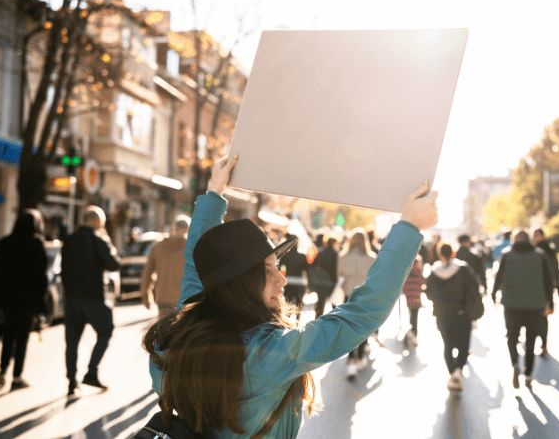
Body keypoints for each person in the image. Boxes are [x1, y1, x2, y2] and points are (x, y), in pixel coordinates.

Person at [140, 156, 438, 438]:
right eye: (269, 269)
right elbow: (361, 314)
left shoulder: (179, 337)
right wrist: (409, 228)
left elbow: (197, 268)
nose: (282, 277)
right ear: (241, 284)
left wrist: (213, 194)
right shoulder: (270, 353)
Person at [62, 205, 121, 395]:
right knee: (106, 332)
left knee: (72, 342)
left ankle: (72, 381)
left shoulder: (69, 240)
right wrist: (108, 242)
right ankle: (91, 372)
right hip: (94, 298)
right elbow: (113, 264)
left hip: (71, 298)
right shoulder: (98, 240)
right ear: (97, 222)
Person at [0, 210, 48, 390]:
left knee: (8, 334)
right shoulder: (36, 244)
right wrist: (41, 303)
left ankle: (2, 370)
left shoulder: (5, 243)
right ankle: (17, 376)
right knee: (22, 338)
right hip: (27, 300)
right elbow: (41, 275)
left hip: (9, 298)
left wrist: (0, 293)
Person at [492, 230, 554, 389]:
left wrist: (494, 293)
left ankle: (515, 364)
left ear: (514, 241)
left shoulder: (506, 255)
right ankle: (528, 373)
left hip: (511, 305)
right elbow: (548, 281)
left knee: (512, 337)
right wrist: (550, 302)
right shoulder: (539, 255)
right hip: (535, 305)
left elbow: (498, 276)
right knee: (531, 340)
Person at [425, 243, 478, 391]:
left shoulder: (434, 272)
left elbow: (428, 293)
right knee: (463, 345)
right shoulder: (463, 269)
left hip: (442, 314)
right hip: (462, 312)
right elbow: (473, 288)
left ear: (440, 254)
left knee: (447, 344)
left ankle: (452, 371)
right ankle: (458, 370)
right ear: (453, 253)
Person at [338, 229, 377, 379]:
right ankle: (360, 356)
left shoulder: (343, 257)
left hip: (348, 295)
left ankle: (350, 358)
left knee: (349, 326)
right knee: (362, 327)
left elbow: (339, 277)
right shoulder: (371, 258)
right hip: (364, 297)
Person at [140, 215, 191, 318]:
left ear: (174, 228)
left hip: (162, 297)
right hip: (184, 298)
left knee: (164, 331)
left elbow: (147, 273)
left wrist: (146, 295)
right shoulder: (190, 248)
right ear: (187, 229)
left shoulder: (157, 247)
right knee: (181, 332)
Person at [532, 228, 559, 357]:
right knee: (542, 317)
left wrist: (558, 285)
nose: (535, 238)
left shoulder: (538, 251)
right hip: (545, 287)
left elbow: (555, 268)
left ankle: (543, 344)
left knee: (540, 317)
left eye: (536, 235)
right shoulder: (547, 249)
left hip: (541, 287)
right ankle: (543, 343)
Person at [279, 233, 309, 319]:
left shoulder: (284, 256)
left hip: (288, 281)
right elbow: (306, 270)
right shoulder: (302, 256)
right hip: (299, 282)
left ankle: (286, 320)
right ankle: (297, 321)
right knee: (299, 302)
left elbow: (281, 269)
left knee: (287, 302)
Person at [309, 235, 339, 319]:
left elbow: (313, 266)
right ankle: (334, 320)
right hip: (331, 281)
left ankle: (317, 318)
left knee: (320, 302)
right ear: (334, 243)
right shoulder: (336, 254)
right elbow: (337, 269)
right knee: (334, 302)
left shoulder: (320, 252)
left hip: (320, 281)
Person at [402, 256, 424, 348]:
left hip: (409, 299)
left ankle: (409, 336)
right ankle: (412, 335)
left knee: (412, 317)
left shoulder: (407, 273)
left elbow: (404, 286)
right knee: (415, 318)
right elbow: (422, 283)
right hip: (417, 299)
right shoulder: (418, 272)